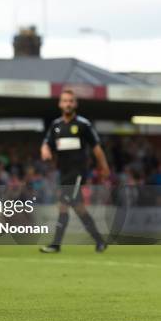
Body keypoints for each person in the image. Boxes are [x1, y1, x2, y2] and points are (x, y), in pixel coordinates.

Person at [39, 89, 110, 253]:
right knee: (78, 208)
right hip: (63, 172)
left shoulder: (83, 125)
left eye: (71, 101)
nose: (68, 104)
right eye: (65, 101)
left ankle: (55, 245)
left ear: (75, 104)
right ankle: (99, 241)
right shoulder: (56, 125)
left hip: (78, 172)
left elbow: (97, 148)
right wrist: (45, 149)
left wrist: (104, 167)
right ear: (60, 104)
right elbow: (46, 142)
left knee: (63, 204)